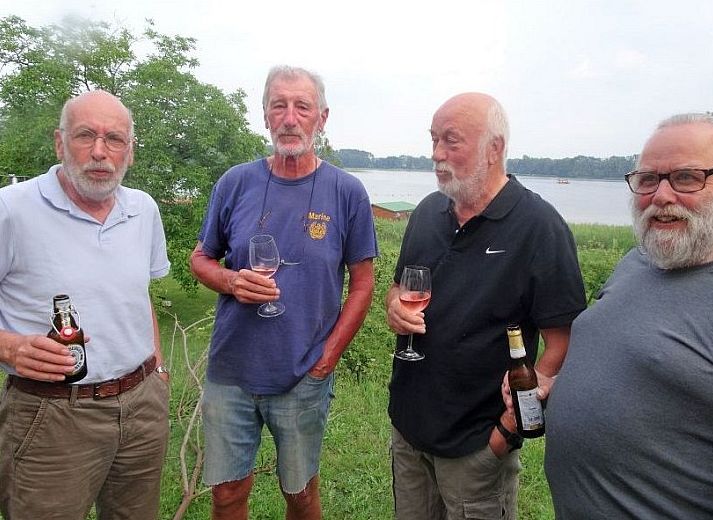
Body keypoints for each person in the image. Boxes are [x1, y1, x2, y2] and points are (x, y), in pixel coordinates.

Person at [544, 113, 713, 518]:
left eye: (687, 178)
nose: (661, 196)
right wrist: (559, 389)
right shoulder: (639, 260)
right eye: (648, 179)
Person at [385, 92, 586, 520]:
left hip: (477, 447)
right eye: (434, 139)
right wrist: (394, 307)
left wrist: (506, 432)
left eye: (451, 140)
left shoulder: (539, 228)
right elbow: (398, 288)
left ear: (494, 148)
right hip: (408, 432)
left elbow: (563, 343)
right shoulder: (427, 212)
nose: (436, 153)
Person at [190, 65, 378, 520]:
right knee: (226, 495)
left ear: (322, 117)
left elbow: (363, 283)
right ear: (265, 115)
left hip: (302, 375)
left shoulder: (346, 191)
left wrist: (326, 359)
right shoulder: (235, 182)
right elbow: (200, 258)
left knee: (300, 494)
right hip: (231, 371)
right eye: (279, 106)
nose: (290, 118)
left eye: (302, 107)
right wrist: (231, 281)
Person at [0, 90, 171, 519]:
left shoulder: (143, 209)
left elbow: (139, 295)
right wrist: (10, 348)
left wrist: (159, 369)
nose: (99, 151)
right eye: (84, 135)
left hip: (142, 405)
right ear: (60, 143)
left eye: (114, 139)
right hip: (52, 414)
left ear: (129, 152)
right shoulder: (11, 210)